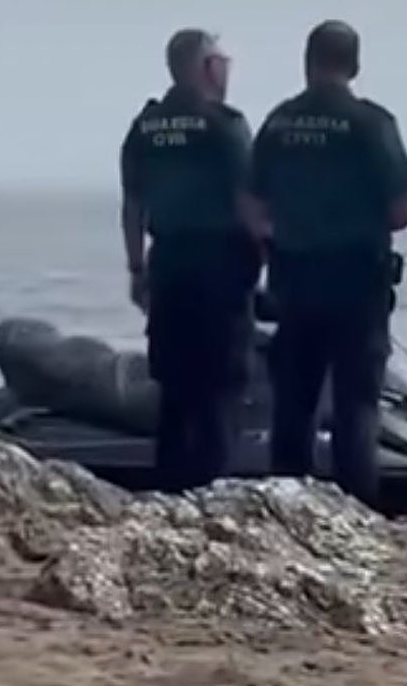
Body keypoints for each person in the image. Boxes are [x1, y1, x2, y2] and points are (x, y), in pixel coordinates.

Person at [247, 19, 407, 508]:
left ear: (307, 63)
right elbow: (402, 211)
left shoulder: (279, 122)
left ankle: (285, 510)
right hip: (357, 284)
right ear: (355, 64)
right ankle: (358, 514)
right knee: (356, 407)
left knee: (293, 406)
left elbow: (253, 206)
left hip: (295, 283)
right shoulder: (371, 123)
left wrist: (285, 236)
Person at [119, 28, 263, 493]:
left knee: (176, 392)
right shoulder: (225, 125)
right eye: (223, 61)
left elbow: (132, 206)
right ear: (205, 67)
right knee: (220, 389)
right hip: (218, 268)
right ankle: (211, 494)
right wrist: (273, 259)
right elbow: (250, 202)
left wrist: (137, 269)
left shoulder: (144, 127)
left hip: (168, 269)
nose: (228, 71)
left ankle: (169, 492)